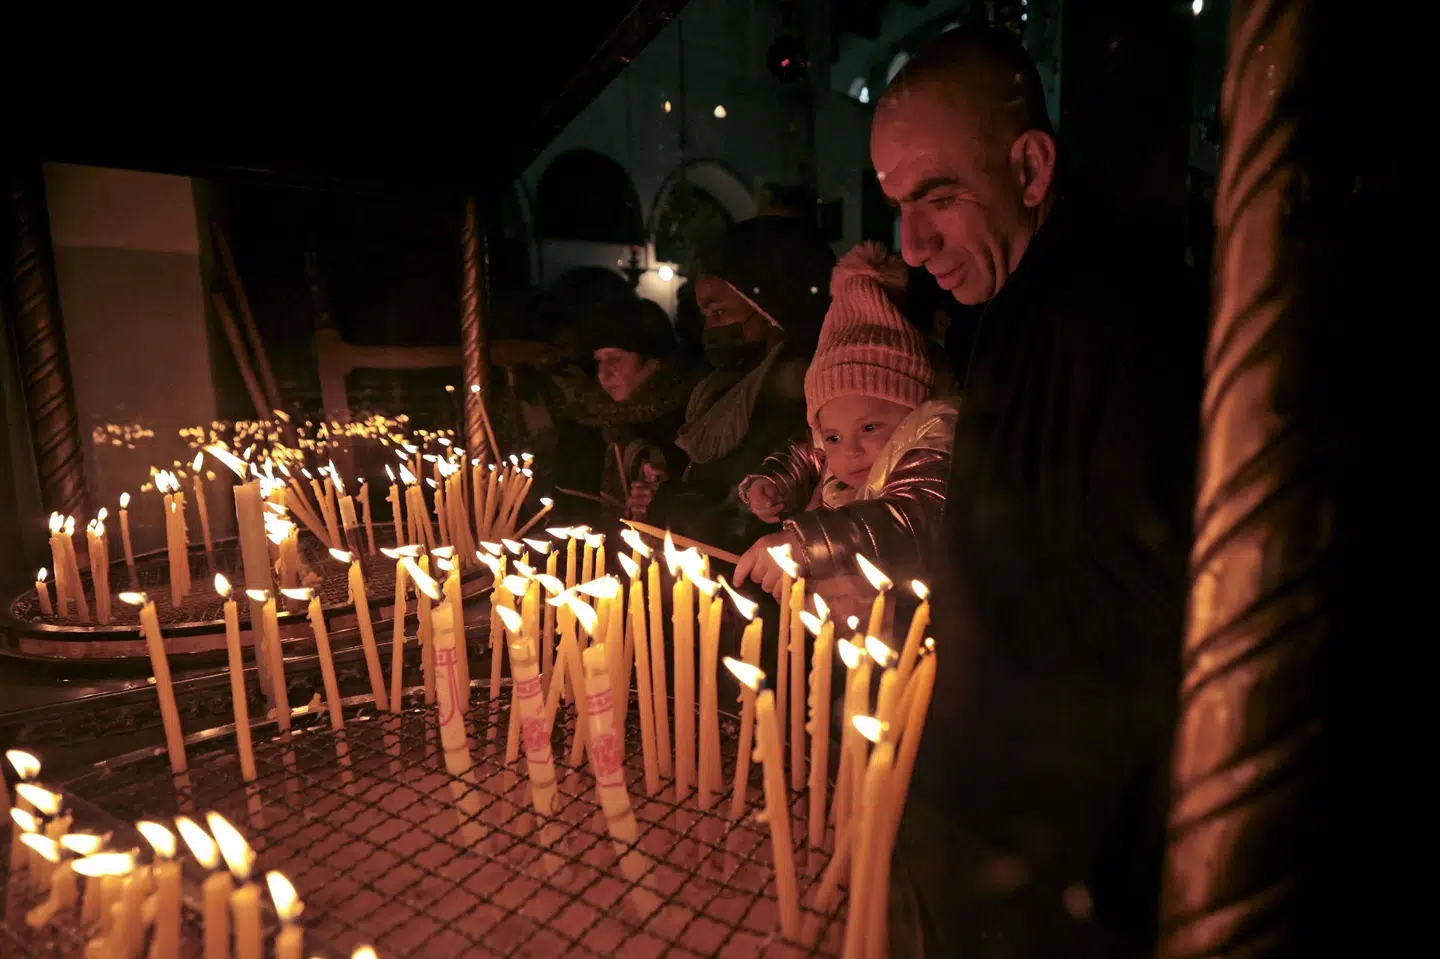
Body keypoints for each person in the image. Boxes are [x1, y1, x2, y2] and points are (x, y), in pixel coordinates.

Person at [871, 27, 1205, 947]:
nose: (912, 244)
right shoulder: (1020, 301)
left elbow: (1143, 602)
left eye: (937, 197)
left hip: (1070, 847)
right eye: (896, 206)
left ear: (1028, 167)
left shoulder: (1123, 316)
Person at [730, 242, 956, 627]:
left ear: (912, 412)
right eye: (833, 436)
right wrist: (772, 482)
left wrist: (808, 543)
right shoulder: (837, 448)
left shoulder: (934, 440)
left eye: (869, 428)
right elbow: (807, 454)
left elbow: (912, 516)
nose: (849, 449)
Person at [626, 216, 834, 553]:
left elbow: (747, 516)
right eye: (705, 315)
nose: (710, 329)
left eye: (719, 312)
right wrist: (660, 483)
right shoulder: (728, 383)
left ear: (769, 308)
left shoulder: (795, 390)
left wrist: (666, 502)